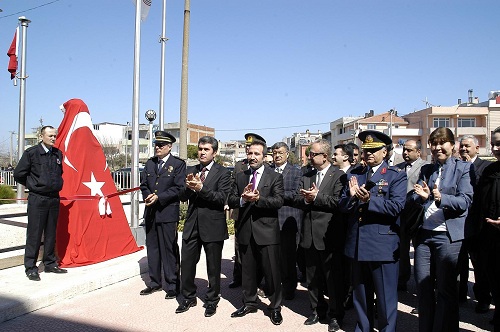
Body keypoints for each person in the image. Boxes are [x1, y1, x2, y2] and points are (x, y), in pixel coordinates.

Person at [339, 130, 407, 332]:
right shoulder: (354, 174)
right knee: (361, 295)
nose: (368, 154)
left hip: (381, 245)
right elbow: (342, 206)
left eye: (374, 150)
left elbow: (396, 207)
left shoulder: (396, 176)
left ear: (384, 152)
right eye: (366, 150)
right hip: (358, 243)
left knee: (385, 297)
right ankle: (364, 328)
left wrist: (370, 201)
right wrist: (352, 198)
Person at [411, 127, 473, 332]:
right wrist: (422, 197)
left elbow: (465, 201)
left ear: (452, 145)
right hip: (424, 235)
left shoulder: (463, 168)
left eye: (442, 143)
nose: (437, 147)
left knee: (446, 290)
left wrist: (440, 198)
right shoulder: (428, 169)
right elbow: (417, 196)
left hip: (448, 236)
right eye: (433, 143)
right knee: (423, 287)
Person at [227, 138, 284, 325]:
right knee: (248, 272)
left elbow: (278, 201)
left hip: (267, 232)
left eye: (256, 154)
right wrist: (243, 200)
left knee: (272, 272)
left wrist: (258, 200)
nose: (252, 157)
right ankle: (249, 302)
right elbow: (231, 198)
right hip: (245, 230)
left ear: (264, 156)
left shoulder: (274, 176)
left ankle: (275, 307)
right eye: (250, 153)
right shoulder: (240, 175)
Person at [294, 139, 347, 332]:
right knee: (312, 278)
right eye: (309, 153)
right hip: (308, 235)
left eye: (313, 154)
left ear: (324, 156)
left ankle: (335, 315)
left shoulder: (339, 176)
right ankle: (317, 309)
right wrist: (306, 199)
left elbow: (339, 202)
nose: (309, 157)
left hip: (328, 236)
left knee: (332, 280)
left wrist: (316, 197)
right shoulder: (306, 175)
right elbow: (297, 198)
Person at [176, 136, 231, 317]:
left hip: (213, 226)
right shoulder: (191, 170)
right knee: (187, 263)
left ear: (214, 152)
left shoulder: (222, 173)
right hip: (192, 225)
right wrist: (188, 187)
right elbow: (182, 196)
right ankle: (189, 297)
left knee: (213, 267)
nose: (202, 152)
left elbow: (222, 198)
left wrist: (201, 188)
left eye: (206, 149)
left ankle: (212, 300)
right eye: (200, 149)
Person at [14, 126, 66, 281]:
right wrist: (33, 185)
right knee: (34, 234)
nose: (53, 138)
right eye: (50, 135)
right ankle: (30, 267)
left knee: (51, 233)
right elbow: (19, 174)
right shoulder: (32, 153)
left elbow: (59, 173)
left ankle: (50, 263)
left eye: (54, 136)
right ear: (41, 136)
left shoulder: (57, 154)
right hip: (38, 199)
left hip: (53, 198)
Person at [139, 131, 186, 299]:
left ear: (169, 146)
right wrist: (147, 195)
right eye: (156, 145)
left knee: (169, 249)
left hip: (167, 212)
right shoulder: (150, 163)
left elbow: (179, 188)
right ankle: (155, 283)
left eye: (161, 145)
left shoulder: (178, 164)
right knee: (152, 248)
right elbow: (144, 184)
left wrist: (159, 197)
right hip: (151, 212)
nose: (157, 148)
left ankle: (173, 285)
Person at [457, 134, 493, 311]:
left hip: (478, 224)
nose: (463, 149)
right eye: (461, 146)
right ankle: (460, 293)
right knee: (458, 262)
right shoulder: (456, 166)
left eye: (467, 146)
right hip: (459, 222)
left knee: (480, 265)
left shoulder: (486, 168)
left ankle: (483, 298)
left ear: (477, 148)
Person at [228, 132, 266, 289]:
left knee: (259, 250)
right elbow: (232, 186)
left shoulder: (266, 167)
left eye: (252, 147)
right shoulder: (240, 165)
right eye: (247, 147)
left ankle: (259, 281)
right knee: (239, 247)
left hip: (259, 215)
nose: (249, 150)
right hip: (241, 212)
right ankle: (238, 277)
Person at [475, 126, 500, 332]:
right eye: (493, 144)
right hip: (488, 235)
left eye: (499, 144)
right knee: (492, 276)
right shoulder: (490, 170)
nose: (495, 148)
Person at [395, 139, 428, 292]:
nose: (405, 153)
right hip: (400, 215)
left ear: (419, 152)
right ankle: (402, 280)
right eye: (404, 150)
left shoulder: (426, 167)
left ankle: (421, 285)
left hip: (417, 215)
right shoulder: (397, 168)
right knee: (401, 250)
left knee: (420, 252)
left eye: (409, 150)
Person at [271, 142, 302, 300]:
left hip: (288, 219)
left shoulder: (296, 171)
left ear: (287, 154)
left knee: (288, 257)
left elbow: (297, 194)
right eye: (275, 153)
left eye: (280, 153)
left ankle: (289, 287)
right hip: (270, 220)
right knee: (273, 256)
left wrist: (277, 195)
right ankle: (272, 285)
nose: (277, 156)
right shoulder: (268, 171)